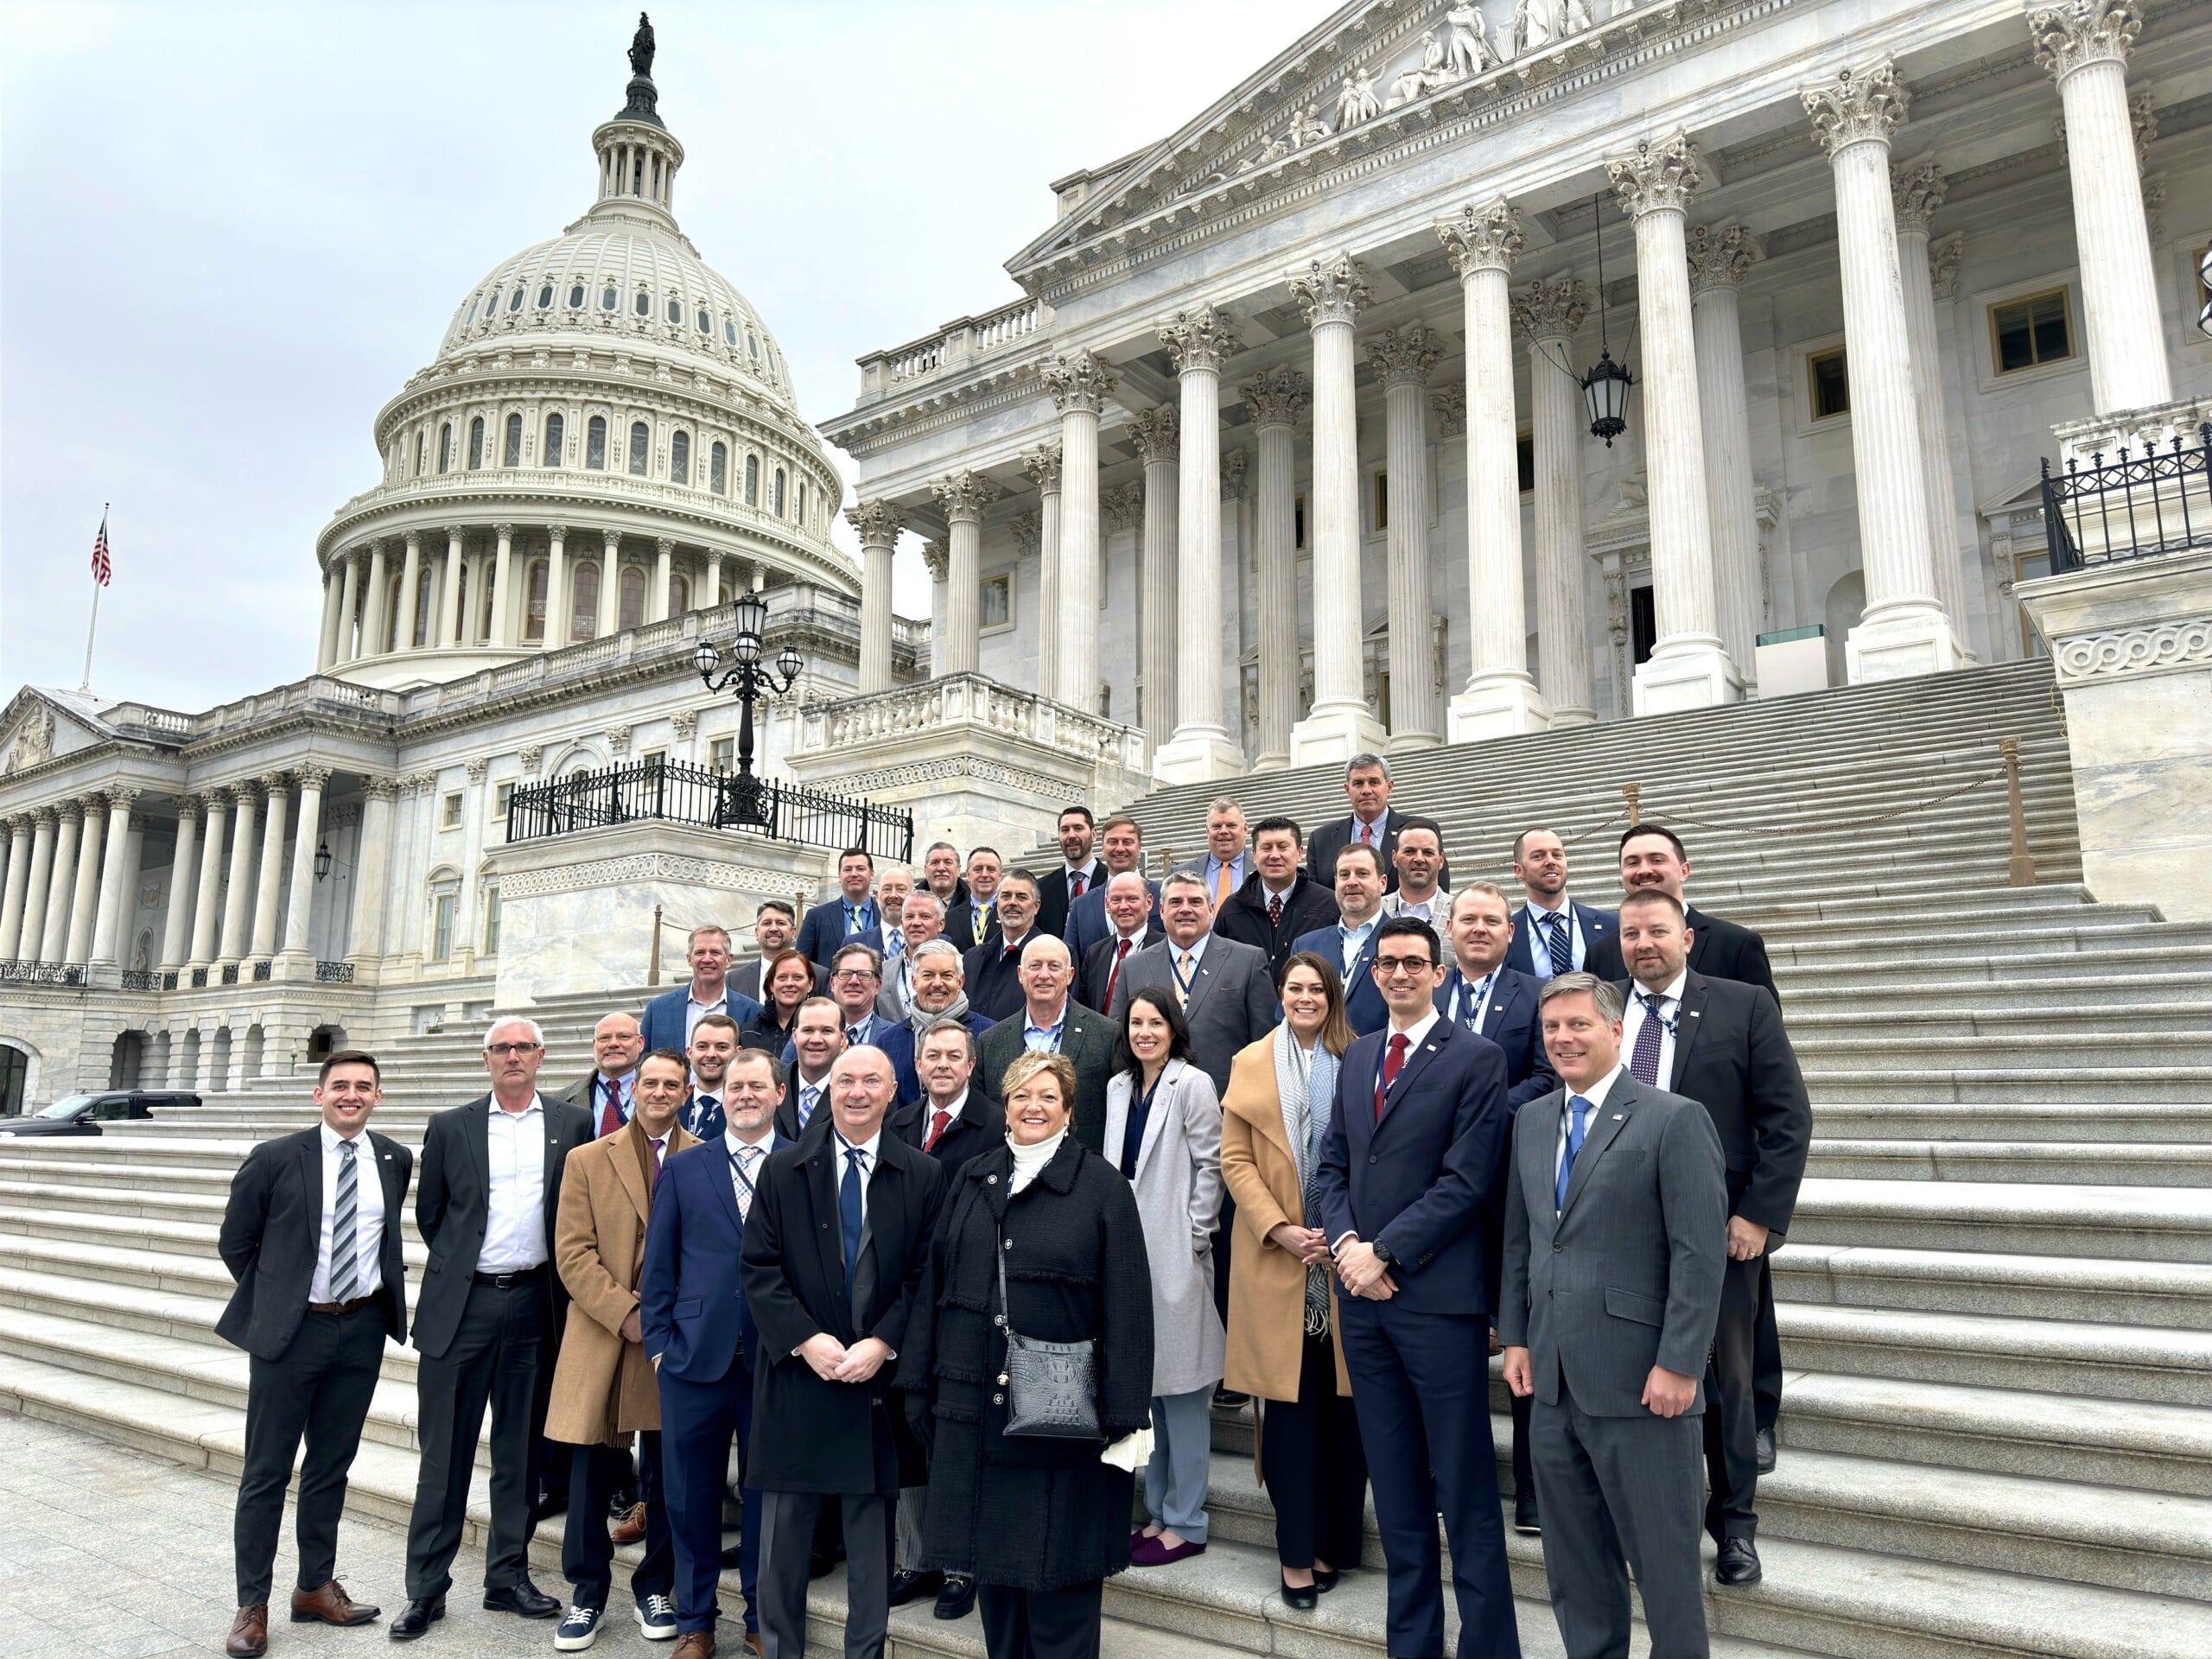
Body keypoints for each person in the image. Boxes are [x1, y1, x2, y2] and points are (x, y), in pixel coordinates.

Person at [895, 1051, 1154, 1659]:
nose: (1032, 1107)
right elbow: (934, 1281)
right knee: (998, 1592)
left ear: (1068, 1109)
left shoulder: (1103, 1188)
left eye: (1047, 1097)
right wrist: (917, 1380)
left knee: (1060, 1583)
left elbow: (1130, 1307)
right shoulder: (974, 1175)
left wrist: (1125, 1414)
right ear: (1005, 1106)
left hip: (1060, 1424)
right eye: (1020, 1096)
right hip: (972, 1412)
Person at [1499, 974, 1728, 1659]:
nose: (1564, 1039)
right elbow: (1522, 1239)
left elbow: (1698, 1254)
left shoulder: (1673, 1118)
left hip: (1644, 1386)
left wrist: (1681, 1362)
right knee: (1577, 1572)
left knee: (1665, 1574)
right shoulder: (1532, 1121)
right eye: (1552, 1029)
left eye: (1578, 1025)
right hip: (1554, 1383)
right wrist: (1515, 1336)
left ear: (1616, 1030)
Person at [1315, 917, 1519, 1659]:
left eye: (1414, 963)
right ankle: (1414, 1645)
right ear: (1373, 975)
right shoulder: (1359, 1053)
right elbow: (1332, 1166)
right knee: (1396, 1491)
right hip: (1363, 1306)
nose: (1400, 974)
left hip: (1436, 1304)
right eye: (1388, 963)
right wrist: (1344, 1247)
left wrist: (1385, 1255)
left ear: (1439, 972)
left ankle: (1490, 1647)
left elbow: (1466, 1183)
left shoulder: (1478, 1057)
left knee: (1463, 1491)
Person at [1612, 888, 1809, 1586]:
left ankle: (1733, 1527)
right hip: (1622, 1236)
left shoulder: (1741, 1005)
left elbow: (1787, 1117)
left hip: (1721, 1232)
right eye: (1631, 933)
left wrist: (1758, 1214)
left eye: (1657, 932)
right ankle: (1650, 1520)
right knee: (1633, 1382)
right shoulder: (1600, 1008)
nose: (1643, 944)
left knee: (1723, 1382)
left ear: (1686, 937)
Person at [740, 1046, 945, 1659]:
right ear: (829, 1088)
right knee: (782, 1549)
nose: (857, 1091)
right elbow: (758, 1268)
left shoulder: (922, 1174)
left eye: (871, 1081)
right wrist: (807, 1339)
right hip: (798, 1381)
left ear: (893, 1091)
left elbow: (925, 1277)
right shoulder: (782, 1170)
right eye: (846, 1079)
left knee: (871, 1552)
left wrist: (883, 1343)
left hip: (874, 1389)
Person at [392, 1018, 594, 1640]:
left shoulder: (572, 1125)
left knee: (521, 1455)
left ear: (541, 1056)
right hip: (463, 1310)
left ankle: (506, 1576)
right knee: (444, 1455)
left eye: (523, 1047)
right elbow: (435, 1218)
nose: (513, 1056)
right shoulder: (451, 1126)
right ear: (486, 1060)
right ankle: (427, 1588)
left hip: (536, 1305)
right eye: (501, 1048)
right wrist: (467, 1274)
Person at [219, 1051, 412, 1658]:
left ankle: (314, 1586)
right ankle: (253, 1604)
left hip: (359, 1331)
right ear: (318, 1094)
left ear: (378, 1096)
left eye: (363, 1087)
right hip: (292, 1334)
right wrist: (279, 1298)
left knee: (331, 1466)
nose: (351, 1095)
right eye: (340, 1086)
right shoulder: (277, 1157)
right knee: (267, 1472)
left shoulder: (393, 1159)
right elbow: (237, 1242)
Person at [1219, 956, 1367, 1609]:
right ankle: (1295, 1557)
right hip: (1277, 1262)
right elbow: (1235, 1159)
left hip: (1345, 1263)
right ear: (1280, 995)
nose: (1305, 997)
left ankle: (1335, 1541)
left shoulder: (1358, 1057)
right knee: (1289, 1417)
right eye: (1295, 988)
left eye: (1317, 989)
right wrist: (1279, 1229)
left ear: (1332, 997)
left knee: (1345, 1417)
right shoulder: (1251, 1061)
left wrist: (1343, 1235)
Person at [642, 1046, 793, 1659]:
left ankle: (761, 1614)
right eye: (737, 1086)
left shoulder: (801, 1165)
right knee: (688, 1496)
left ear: (779, 1094)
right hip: (692, 1359)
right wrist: (658, 1347)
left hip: (777, 1362)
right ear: (720, 1095)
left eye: (759, 1085)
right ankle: (695, 1621)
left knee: (767, 1496)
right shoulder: (683, 1167)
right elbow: (659, 1266)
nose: (747, 1095)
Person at [547, 1048, 696, 1649]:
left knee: (666, 1472)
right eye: (650, 1082)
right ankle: (586, 1593)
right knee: (592, 1470)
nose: (659, 1092)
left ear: (687, 1093)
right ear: (633, 1088)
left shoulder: (703, 1157)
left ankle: (654, 1584)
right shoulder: (587, 1158)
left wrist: (661, 1315)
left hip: (672, 1339)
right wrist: (626, 1312)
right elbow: (572, 1252)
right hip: (605, 1333)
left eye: (671, 1084)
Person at [1434, 882, 1556, 1534]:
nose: (1479, 929)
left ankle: (1533, 1483)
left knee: (1521, 1331)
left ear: (1511, 933)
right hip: (1443, 1196)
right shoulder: (1430, 993)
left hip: (1514, 1190)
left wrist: (1478, 1118)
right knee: (1448, 1341)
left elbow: (1547, 1076)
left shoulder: (1536, 996)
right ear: (1449, 928)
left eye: (1492, 921)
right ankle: (1454, 1474)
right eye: (1468, 920)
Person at [1102, 988, 1224, 1568]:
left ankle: (1188, 1520)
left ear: (1174, 1029)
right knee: (1147, 1392)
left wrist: (1196, 1232)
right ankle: (1157, 1513)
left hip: (1175, 1250)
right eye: (1135, 1023)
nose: (1144, 1032)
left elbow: (1212, 1162)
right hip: (1127, 1252)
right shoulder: (1118, 1087)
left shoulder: (1192, 1084)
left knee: (1184, 1394)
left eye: (1155, 1023)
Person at [886, 1017, 1001, 1622]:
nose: (943, 1065)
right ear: (918, 1062)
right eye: (933, 1055)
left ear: (971, 1065)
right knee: (909, 1430)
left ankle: (962, 1563)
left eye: (954, 1056)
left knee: (957, 1432)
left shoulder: (997, 1124)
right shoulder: (898, 1123)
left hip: (966, 1301)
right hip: (906, 1300)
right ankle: (916, 1558)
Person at [1108, 872, 1278, 1096]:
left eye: (1195, 902)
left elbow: (1265, 1045)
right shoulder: (1132, 967)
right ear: (1161, 910)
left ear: (1211, 909)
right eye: (1175, 902)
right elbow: (1119, 1042)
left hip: (1226, 1106)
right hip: (1151, 1106)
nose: (1185, 909)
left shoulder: (1248, 961)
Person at [1584, 823, 1777, 1001]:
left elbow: (1763, 1027)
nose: (1644, 870)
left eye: (1657, 860)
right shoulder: (1600, 953)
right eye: (1632, 863)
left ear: (1684, 871)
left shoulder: (1736, 944)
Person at [976, 933, 1117, 1151]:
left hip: (1082, 1171)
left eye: (1054, 966)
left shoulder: (1107, 1035)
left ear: (1070, 975)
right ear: (1021, 975)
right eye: (1035, 966)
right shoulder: (990, 1042)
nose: (1044, 975)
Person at [1304, 753, 1452, 894]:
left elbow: (1439, 892)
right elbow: (1314, 898)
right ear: (1347, 790)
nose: (1366, 790)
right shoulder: (1320, 839)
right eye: (1358, 783)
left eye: (1374, 782)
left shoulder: (1421, 830)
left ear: (1389, 787)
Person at [1216, 816, 1339, 984]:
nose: (1274, 855)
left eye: (1283, 847)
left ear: (1300, 853)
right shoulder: (1232, 909)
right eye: (1266, 848)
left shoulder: (1328, 905)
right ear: (1254, 855)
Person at [1291, 842, 1388, 1036]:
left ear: (1382, 883)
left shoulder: (1404, 942)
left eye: (1362, 873)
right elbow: (1286, 1014)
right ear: (1336, 882)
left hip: (1378, 1059)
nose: (1352, 882)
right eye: (1344, 875)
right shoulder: (1305, 945)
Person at [1507, 829, 1616, 978]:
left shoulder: (1612, 925)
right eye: (1538, 856)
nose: (1550, 861)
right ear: (1518, 870)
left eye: (1557, 855)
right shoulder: (1505, 935)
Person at [643, 925, 766, 1053]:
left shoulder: (753, 1012)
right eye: (700, 952)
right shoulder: (658, 1009)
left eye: (715, 952)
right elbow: (642, 1063)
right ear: (689, 959)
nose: (707, 959)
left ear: (729, 960)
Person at [1065, 814, 1157, 964]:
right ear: (1102, 847)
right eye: (1113, 842)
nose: (1120, 848)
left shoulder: (1162, 896)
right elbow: (1069, 960)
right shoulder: (1081, 905)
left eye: (1127, 842)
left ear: (1139, 847)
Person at [963, 868, 1045, 1022]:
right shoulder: (973, 958)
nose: (1012, 903)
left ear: (1036, 907)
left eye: (1021, 897)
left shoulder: (1056, 957)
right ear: (997, 902)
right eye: (1006, 896)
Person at [1078, 869, 1164, 1015]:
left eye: (1132, 899)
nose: (1123, 906)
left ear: (1149, 902)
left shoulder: (1166, 948)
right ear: (1107, 905)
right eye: (1116, 900)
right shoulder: (1095, 953)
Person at [795, 847, 886, 972]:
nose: (854, 874)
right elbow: (802, 964)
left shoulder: (885, 914)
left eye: (860, 868)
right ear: (839, 876)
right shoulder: (816, 917)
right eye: (848, 869)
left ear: (872, 874)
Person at [775, 998, 847, 1140]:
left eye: (827, 1031)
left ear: (842, 1037)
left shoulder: (859, 1093)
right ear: (795, 1035)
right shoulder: (771, 1087)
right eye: (808, 1030)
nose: (816, 1040)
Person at [1034, 804, 1107, 942]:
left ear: (1094, 834)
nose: (1071, 835)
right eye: (1065, 830)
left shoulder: (1110, 881)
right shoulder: (1043, 887)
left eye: (1078, 828)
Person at [565, 1013, 644, 1136]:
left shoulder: (663, 1095)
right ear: (594, 1045)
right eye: (604, 1038)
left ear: (640, 1043)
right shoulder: (562, 1100)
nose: (613, 1044)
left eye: (623, 1036)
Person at [877, 890, 946, 1022]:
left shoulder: (960, 965)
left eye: (925, 916)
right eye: (909, 917)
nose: (916, 923)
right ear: (902, 924)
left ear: (941, 924)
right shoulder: (883, 971)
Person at [1172, 798, 1250, 911]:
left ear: (1245, 829)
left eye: (1231, 825)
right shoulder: (1180, 873)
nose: (1223, 831)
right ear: (1207, 831)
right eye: (1216, 826)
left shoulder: (1263, 870)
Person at [679, 1013, 743, 1140]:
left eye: (722, 1047)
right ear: (689, 1053)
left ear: (738, 1053)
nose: (711, 1054)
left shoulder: (747, 1107)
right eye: (702, 1046)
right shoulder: (672, 1105)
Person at [1376, 818, 1450, 924]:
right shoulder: (1373, 911)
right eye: (1409, 852)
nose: (1419, 859)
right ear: (1394, 858)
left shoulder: (1461, 910)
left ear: (1441, 860)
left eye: (1428, 852)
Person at [742, 949, 815, 1053]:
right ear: (771, 984)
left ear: (810, 984)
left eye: (797, 977)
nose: (789, 983)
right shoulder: (748, 1032)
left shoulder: (820, 1031)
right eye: (782, 978)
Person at [732, 900, 799, 1003]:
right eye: (767, 923)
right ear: (757, 933)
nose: (773, 928)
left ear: (793, 932)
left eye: (780, 923)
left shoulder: (818, 976)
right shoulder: (734, 980)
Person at [946, 848, 1002, 950]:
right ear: (968, 875)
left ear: (1000, 875)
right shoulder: (950, 918)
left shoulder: (1011, 914)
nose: (985, 874)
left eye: (991, 869)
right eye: (978, 869)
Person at [921, 840, 970, 916]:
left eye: (948, 862)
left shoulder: (972, 904)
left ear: (958, 870)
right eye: (935, 862)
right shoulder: (909, 904)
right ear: (925, 870)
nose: (941, 868)